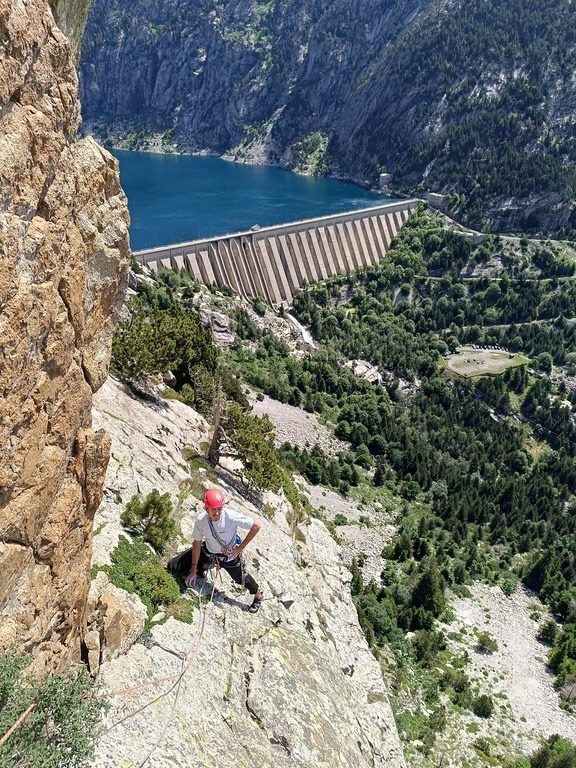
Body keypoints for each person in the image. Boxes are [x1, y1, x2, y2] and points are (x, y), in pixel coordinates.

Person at [168, 487, 264, 614]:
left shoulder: (230, 517)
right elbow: (197, 543)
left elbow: (256, 525)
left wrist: (240, 548)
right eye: (214, 509)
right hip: (209, 552)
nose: (217, 513)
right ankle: (201, 569)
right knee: (172, 566)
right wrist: (193, 569)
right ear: (206, 508)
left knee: (241, 579)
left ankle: (258, 595)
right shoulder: (201, 521)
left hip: (229, 556)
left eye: (219, 508)